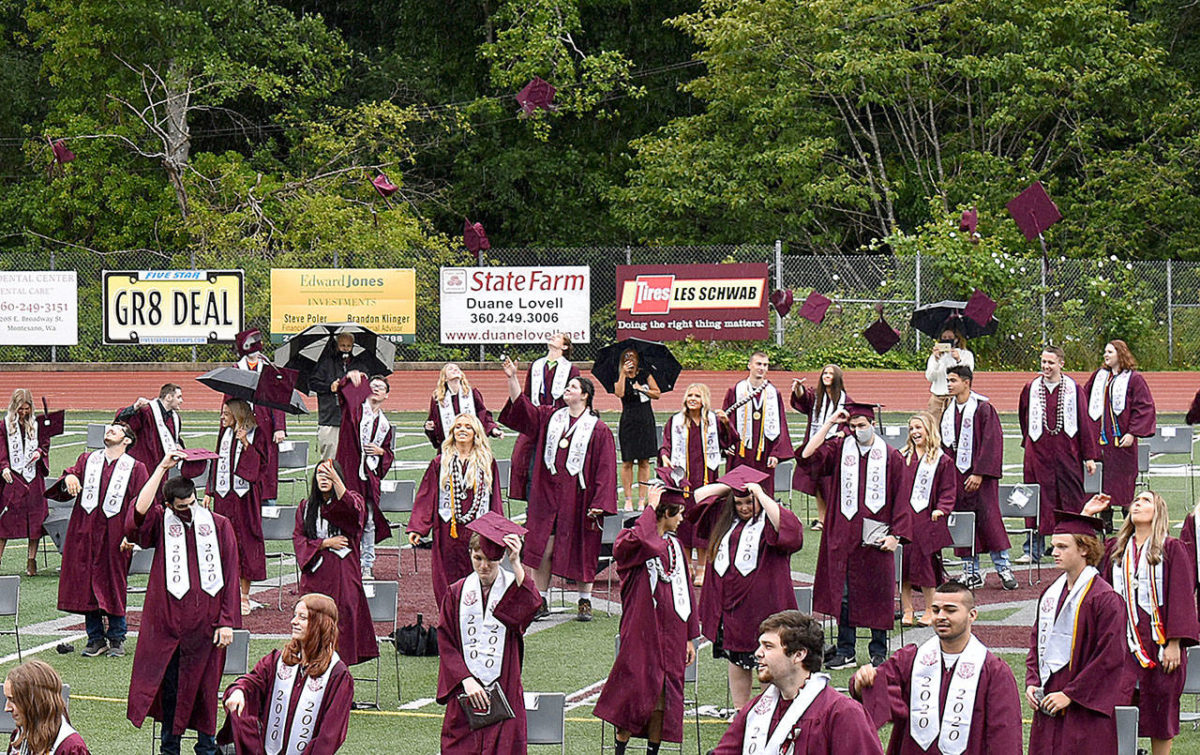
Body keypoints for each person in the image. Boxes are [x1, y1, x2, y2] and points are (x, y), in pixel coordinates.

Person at [126, 452, 240, 755]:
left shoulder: (219, 524)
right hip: (170, 627)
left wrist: (228, 620)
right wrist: (162, 467)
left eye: (192, 504)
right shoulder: (161, 525)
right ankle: (170, 749)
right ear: (169, 506)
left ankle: (205, 749)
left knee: (205, 692)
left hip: (208, 628)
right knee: (172, 692)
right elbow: (137, 514)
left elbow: (230, 573)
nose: (189, 511)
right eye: (181, 508)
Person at [499, 355, 617, 622]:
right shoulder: (549, 417)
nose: (567, 389)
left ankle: (584, 601)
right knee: (543, 548)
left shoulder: (598, 429)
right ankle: (541, 600)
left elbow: (606, 469)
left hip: (581, 498)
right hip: (548, 494)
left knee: (582, 548)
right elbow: (523, 408)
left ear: (585, 396)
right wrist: (512, 379)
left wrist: (600, 501)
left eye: (573, 387)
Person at [850, 581, 1022, 754]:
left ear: (972, 615)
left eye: (950, 610)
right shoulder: (911, 660)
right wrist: (861, 681)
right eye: (935, 610)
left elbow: (1005, 737)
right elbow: (876, 686)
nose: (941, 616)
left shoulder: (994, 672)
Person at [1089, 490, 1199, 754]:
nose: (1138, 503)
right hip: (1121, 641)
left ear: (1158, 511)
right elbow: (1083, 556)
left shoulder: (1171, 547)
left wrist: (1174, 643)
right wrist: (1087, 515)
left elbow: (1181, 594)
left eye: (1146, 500)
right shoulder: (1115, 548)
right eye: (1136, 500)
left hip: (1159, 643)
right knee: (1116, 706)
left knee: (1160, 712)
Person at [801, 402, 909, 669]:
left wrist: (896, 535)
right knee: (844, 593)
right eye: (853, 426)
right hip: (842, 533)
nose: (857, 430)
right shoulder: (839, 449)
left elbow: (902, 498)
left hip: (876, 537)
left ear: (873, 424)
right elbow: (806, 455)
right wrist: (829, 424)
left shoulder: (891, 456)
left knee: (878, 592)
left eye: (862, 425)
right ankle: (846, 649)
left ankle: (878, 649)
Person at [594, 482, 698, 754]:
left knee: (662, 701)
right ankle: (620, 751)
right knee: (632, 694)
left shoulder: (675, 546)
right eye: (678, 514)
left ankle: (653, 751)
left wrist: (690, 637)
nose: (682, 519)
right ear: (665, 513)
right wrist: (649, 508)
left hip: (673, 633)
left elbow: (686, 589)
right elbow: (634, 543)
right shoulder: (633, 542)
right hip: (641, 633)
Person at [696, 469, 802, 710]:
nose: (744, 508)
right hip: (731, 608)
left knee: (768, 661)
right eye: (739, 503)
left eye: (748, 503)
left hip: (763, 606)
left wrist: (761, 495)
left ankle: (768, 710)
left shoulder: (769, 521)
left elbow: (792, 532)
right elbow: (698, 497)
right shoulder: (725, 521)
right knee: (737, 660)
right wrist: (731, 487)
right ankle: (740, 711)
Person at [436, 513, 541, 754]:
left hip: (503, 687)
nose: (483, 566)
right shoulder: (456, 593)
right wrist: (466, 679)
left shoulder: (511, 588)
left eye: (491, 561)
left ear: (501, 558)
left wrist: (516, 562)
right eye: (477, 558)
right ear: (470, 556)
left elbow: (533, 604)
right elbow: (446, 642)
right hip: (466, 691)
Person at [1024, 511, 1127, 755]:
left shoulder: (1104, 598)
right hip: (1049, 701)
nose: (1054, 552)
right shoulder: (1051, 594)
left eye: (1062, 546)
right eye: (1053, 547)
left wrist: (1071, 694)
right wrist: (1032, 682)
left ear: (1084, 549)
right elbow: (1037, 641)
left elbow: (1109, 658)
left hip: (1084, 710)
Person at [711, 611, 884, 755]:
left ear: (798, 655)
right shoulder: (756, 709)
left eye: (768, 646)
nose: (757, 653)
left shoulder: (842, 712)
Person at [50, 422, 148, 659]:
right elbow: (68, 479)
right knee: (86, 584)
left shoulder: (135, 468)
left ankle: (116, 637)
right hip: (84, 532)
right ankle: (95, 638)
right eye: (109, 428)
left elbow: (142, 503)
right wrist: (70, 477)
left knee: (114, 583)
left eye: (117, 429)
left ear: (127, 440)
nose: (110, 430)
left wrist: (133, 535)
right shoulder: (87, 460)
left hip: (115, 535)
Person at [219, 594, 353, 754]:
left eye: (302, 617)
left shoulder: (337, 675)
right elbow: (252, 682)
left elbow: (330, 736)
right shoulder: (279, 660)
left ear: (319, 624)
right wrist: (239, 691)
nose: (293, 621)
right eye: (295, 615)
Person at [407, 413, 504, 601]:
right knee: (446, 576)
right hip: (448, 529)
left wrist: (496, 530)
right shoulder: (440, 462)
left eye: (468, 427)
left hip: (478, 529)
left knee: (476, 570)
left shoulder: (486, 462)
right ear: (452, 432)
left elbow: (495, 498)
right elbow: (427, 495)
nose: (462, 430)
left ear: (476, 432)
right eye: (458, 426)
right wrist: (418, 527)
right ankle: (449, 616)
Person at [1017, 346, 1100, 563]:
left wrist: (1089, 456)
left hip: (1067, 453)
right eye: (1043, 362)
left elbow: (1084, 422)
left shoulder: (1074, 388)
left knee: (1070, 498)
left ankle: (1071, 544)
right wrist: (1029, 444)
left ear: (1061, 363)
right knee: (1037, 499)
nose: (1046, 366)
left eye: (1050, 363)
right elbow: (1023, 418)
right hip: (1038, 453)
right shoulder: (1030, 388)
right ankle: (1032, 549)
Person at [292, 459, 378, 667]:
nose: (324, 479)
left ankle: (339, 675)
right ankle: (312, 670)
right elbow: (299, 537)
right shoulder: (306, 506)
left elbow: (352, 513)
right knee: (313, 620)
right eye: (320, 474)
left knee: (343, 620)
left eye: (329, 475)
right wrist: (323, 543)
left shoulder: (353, 500)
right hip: (317, 574)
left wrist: (336, 480)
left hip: (343, 574)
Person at [941, 365, 1017, 591]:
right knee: (964, 523)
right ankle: (970, 571)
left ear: (966, 382)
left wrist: (979, 473)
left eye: (953, 380)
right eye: (948, 380)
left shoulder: (983, 409)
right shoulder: (949, 410)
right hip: (957, 477)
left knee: (989, 521)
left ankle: (1003, 568)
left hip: (980, 479)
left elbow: (992, 443)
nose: (949, 384)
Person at [658, 383, 738, 584]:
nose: (693, 399)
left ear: (704, 400)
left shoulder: (713, 421)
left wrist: (727, 423)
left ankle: (702, 568)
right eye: (690, 395)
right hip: (683, 480)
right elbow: (665, 445)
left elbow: (729, 441)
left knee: (704, 520)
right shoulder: (675, 421)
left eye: (697, 396)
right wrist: (665, 457)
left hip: (706, 478)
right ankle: (687, 566)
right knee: (683, 522)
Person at [1084, 339, 1157, 529]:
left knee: (1123, 482)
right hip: (1099, 440)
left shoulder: (1134, 379)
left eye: (1110, 352)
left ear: (1120, 354)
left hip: (1121, 442)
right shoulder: (1098, 377)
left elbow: (1143, 407)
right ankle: (1104, 519)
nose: (1106, 355)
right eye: (1105, 352)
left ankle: (1129, 521)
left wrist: (1133, 432)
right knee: (1102, 480)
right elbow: (1084, 400)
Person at [205, 398, 267, 616]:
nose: (222, 417)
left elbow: (261, 467)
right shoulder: (224, 434)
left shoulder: (256, 434)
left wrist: (245, 444)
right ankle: (223, 592)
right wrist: (208, 491)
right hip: (224, 497)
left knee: (244, 543)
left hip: (244, 499)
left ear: (238, 414)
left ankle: (244, 596)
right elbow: (216, 460)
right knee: (222, 543)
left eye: (226, 414)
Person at [898, 412, 957, 627]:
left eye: (918, 428)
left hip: (926, 520)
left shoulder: (942, 460)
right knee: (902, 566)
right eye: (911, 428)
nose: (914, 432)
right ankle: (907, 609)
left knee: (925, 566)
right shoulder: (902, 456)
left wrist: (942, 509)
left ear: (929, 430)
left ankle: (930, 609)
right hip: (904, 520)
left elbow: (948, 490)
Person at [333, 373, 394, 581]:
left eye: (381, 387)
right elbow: (343, 391)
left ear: (386, 396)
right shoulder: (355, 409)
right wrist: (349, 378)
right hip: (349, 472)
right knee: (346, 517)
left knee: (368, 520)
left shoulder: (385, 425)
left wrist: (381, 452)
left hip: (369, 479)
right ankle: (345, 562)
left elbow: (388, 453)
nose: (376, 388)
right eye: (373, 385)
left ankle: (367, 564)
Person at [507, 333, 580, 502]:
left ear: (565, 346)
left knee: (552, 465)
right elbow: (526, 394)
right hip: (535, 419)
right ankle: (530, 507)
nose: (553, 337)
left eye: (558, 337)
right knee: (523, 460)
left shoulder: (571, 369)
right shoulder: (536, 366)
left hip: (557, 421)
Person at [722, 352, 792, 496]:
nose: (762, 368)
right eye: (758, 364)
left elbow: (781, 424)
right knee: (737, 492)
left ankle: (763, 519)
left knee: (763, 493)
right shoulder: (735, 391)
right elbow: (724, 421)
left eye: (765, 365)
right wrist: (724, 445)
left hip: (764, 453)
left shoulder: (774, 393)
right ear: (750, 365)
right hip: (740, 452)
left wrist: (776, 453)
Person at [231, 328, 287, 504]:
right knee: (244, 463)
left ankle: (268, 504)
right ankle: (245, 504)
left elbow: (277, 400)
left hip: (266, 426)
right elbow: (230, 399)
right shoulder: (236, 369)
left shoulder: (269, 369)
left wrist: (279, 427)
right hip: (244, 425)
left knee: (267, 467)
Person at [790, 364, 848, 531]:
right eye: (825, 373)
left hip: (832, 447)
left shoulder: (845, 400)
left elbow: (850, 421)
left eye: (831, 374)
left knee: (830, 484)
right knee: (817, 485)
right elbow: (802, 400)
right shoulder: (816, 396)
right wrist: (798, 388)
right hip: (814, 444)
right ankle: (822, 520)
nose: (827, 376)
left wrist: (843, 433)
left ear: (837, 378)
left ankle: (834, 519)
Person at [0, 389, 50, 576]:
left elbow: (44, 443)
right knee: (4, 521)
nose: (23, 413)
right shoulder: (4, 425)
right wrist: (4, 466)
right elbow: (1, 449)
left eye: (26, 409)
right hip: (13, 478)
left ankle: (31, 561)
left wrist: (40, 452)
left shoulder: (38, 424)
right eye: (20, 409)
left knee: (35, 521)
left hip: (33, 478)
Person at [3, 660, 89, 755]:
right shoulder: (19, 736)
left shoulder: (71, 748)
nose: (7, 708)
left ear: (36, 702)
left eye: (13, 700)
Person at [309, 333, 373, 460]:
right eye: (342, 345)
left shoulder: (359, 365)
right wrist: (329, 387)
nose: (346, 348)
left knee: (352, 459)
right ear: (336, 346)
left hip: (353, 420)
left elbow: (367, 386)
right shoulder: (325, 363)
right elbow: (313, 383)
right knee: (330, 459)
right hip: (330, 418)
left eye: (349, 346)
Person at [615, 347, 662, 511]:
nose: (630, 360)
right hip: (628, 420)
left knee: (644, 461)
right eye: (626, 357)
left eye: (632, 357)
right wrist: (623, 374)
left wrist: (643, 389)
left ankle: (642, 499)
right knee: (627, 461)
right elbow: (619, 393)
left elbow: (657, 393)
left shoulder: (645, 374)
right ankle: (628, 499)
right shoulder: (620, 376)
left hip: (645, 420)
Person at [423, 363, 501, 449]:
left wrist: (493, 429)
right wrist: (430, 427)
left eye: (457, 368)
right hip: (449, 447)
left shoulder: (472, 393)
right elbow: (433, 421)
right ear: (445, 378)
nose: (455, 369)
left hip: (473, 445)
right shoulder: (438, 399)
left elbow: (482, 414)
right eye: (451, 369)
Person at [116, 384, 184, 474]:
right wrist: (134, 408)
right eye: (178, 397)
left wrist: (180, 446)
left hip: (161, 466)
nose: (181, 401)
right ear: (168, 397)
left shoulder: (175, 418)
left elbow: (175, 438)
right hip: (142, 466)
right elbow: (122, 421)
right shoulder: (146, 411)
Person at [924, 325, 974, 421]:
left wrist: (958, 360)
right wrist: (936, 360)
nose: (947, 340)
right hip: (938, 397)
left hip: (957, 397)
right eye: (944, 338)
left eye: (950, 338)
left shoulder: (966, 354)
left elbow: (968, 375)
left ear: (957, 339)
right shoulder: (935, 356)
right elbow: (930, 377)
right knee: (935, 427)